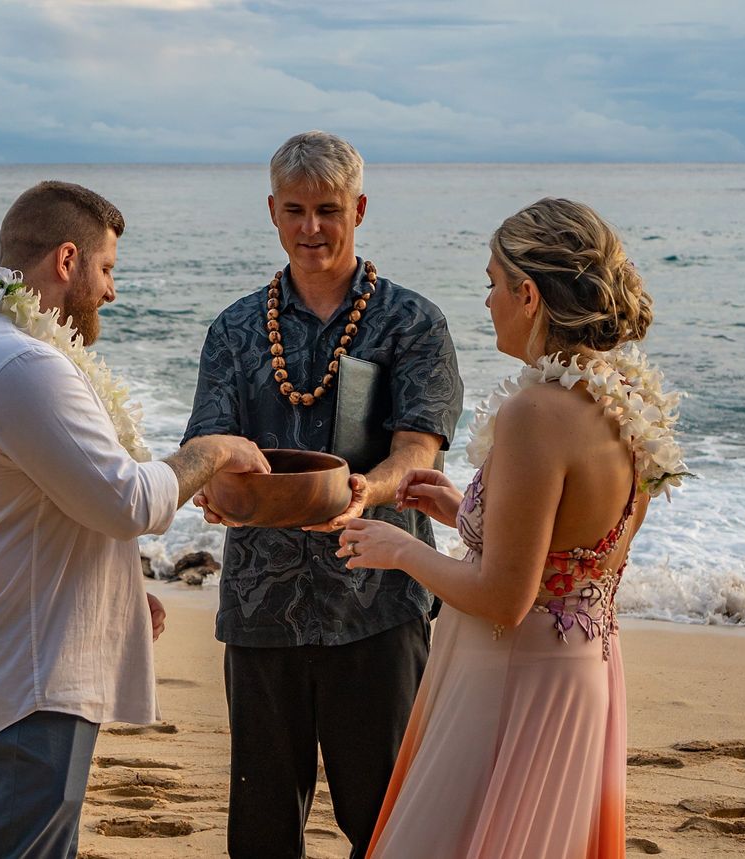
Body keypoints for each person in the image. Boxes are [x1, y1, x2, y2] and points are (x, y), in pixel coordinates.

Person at [0, 180, 269, 859]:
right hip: (24, 671)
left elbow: (33, 497)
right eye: (107, 268)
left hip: (7, 647)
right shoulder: (22, 361)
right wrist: (215, 448)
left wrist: (111, 586)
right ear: (67, 260)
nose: (112, 289)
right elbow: (127, 502)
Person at [338, 198, 690, 859]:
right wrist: (465, 509)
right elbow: (579, 549)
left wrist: (402, 548)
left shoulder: (537, 410)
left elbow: (507, 596)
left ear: (528, 294)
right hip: (582, 675)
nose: (488, 299)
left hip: (511, 680)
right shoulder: (625, 401)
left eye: (493, 283)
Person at [184, 132, 464, 858]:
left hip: (376, 603)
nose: (313, 228)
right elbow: (211, 442)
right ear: (273, 211)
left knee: (386, 823)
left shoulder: (412, 321)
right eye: (297, 210)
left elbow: (418, 448)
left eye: (329, 210)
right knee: (261, 825)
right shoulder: (237, 328)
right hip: (259, 607)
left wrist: (370, 488)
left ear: (360, 208)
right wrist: (212, 488)